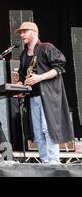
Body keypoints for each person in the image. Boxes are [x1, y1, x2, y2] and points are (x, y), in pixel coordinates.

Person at [15, 21, 74, 164]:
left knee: (48, 128)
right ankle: (45, 161)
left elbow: (59, 67)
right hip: (33, 97)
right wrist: (19, 86)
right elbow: (23, 75)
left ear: (34, 32)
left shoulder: (47, 47)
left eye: (24, 31)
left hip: (48, 96)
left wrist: (40, 77)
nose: (21, 35)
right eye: (21, 32)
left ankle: (54, 161)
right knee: (37, 132)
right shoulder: (24, 54)